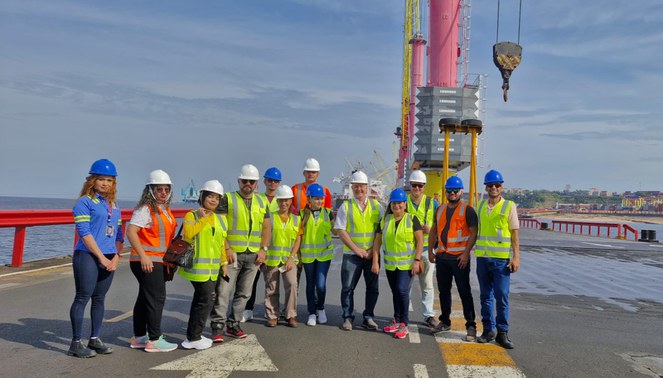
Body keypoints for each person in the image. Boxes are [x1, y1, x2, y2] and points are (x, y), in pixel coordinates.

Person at [210, 164, 271, 341]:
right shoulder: (227, 199)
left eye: (252, 182)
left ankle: (234, 323)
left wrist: (263, 249)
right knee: (223, 291)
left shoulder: (262, 201)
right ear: (239, 181)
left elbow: (267, 227)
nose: (248, 184)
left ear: (257, 184)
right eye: (245, 181)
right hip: (232, 255)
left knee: (245, 292)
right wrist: (227, 248)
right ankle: (217, 325)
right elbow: (220, 226)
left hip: (253, 255)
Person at [68, 159, 123, 358]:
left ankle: (94, 338)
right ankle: (75, 343)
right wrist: (101, 257)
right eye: (101, 179)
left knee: (100, 298)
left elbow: (118, 235)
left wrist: (116, 257)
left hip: (109, 257)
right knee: (83, 297)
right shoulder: (84, 202)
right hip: (88, 256)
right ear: (92, 180)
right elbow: (84, 232)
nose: (105, 184)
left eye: (109, 180)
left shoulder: (113, 205)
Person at [125, 170, 178, 352]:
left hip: (157, 260)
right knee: (157, 298)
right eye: (159, 189)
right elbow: (131, 232)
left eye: (166, 189)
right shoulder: (145, 209)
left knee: (144, 298)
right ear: (150, 191)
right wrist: (144, 256)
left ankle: (139, 337)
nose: (163, 193)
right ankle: (154, 340)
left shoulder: (164, 210)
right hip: (147, 260)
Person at [179, 180, 228, 350]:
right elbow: (188, 235)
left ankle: (193, 335)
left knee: (201, 300)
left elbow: (221, 243)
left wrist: (224, 262)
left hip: (212, 270)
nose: (213, 200)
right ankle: (193, 338)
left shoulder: (221, 220)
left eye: (216, 197)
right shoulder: (192, 215)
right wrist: (202, 219)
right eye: (210, 196)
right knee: (206, 299)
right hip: (197, 268)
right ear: (202, 197)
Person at [429, 176, 478, 342]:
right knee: (443, 292)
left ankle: (471, 325)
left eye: (455, 190)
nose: (452, 193)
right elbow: (433, 231)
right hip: (442, 257)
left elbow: (473, 233)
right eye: (449, 190)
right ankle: (445, 321)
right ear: (445, 192)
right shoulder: (440, 209)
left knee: (465, 292)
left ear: (460, 192)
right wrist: (430, 250)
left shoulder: (468, 210)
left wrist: (465, 254)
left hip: (459, 259)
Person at [475, 169, 520, 349]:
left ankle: (502, 333)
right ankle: (488, 330)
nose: (493, 188)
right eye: (490, 185)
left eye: (497, 185)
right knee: (486, 296)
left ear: (501, 187)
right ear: (486, 187)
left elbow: (514, 233)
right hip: (483, 259)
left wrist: (516, 257)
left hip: (501, 260)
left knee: (502, 296)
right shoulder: (479, 206)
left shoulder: (509, 206)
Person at [334, 170, 383, 331]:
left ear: (367, 188)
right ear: (352, 188)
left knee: (373, 288)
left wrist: (371, 253)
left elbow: (381, 231)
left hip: (371, 254)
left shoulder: (377, 206)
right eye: (356, 187)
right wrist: (356, 250)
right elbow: (341, 230)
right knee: (347, 287)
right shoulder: (346, 207)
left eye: (362, 186)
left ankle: (368, 317)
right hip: (352, 255)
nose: (359, 190)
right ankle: (347, 317)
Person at [372, 189, 423, 339]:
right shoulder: (385, 220)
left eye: (400, 203)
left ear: (405, 204)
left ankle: (404, 324)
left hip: (407, 265)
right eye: (394, 203)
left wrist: (417, 260)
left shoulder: (412, 219)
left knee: (402, 291)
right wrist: (375, 261)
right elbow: (377, 242)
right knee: (395, 292)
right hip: (390, 265)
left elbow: (420, 241)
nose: (397, 206)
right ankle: (397, 319)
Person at [242, 166, 281, 323]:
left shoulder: (282, 201)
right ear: (264, 181)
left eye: (275, 181)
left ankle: (270, 310)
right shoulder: (256, 200)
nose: (272, 183)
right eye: (270, 180)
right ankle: (247, 309)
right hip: (257, 247)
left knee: (272, 283)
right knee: (251, 280)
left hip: (275, 248)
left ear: (279, 183)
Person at [405, 170, 440, 328]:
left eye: (419, 186)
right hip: (407, 250)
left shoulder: (432, 203)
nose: (417, 188)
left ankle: (428, 315)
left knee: (427, 284)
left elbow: (442, 224)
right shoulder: (403, 202)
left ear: (424, 186)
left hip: (426, 249)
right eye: (414, 185)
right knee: (406, 285)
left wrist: (431, 228)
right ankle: (402, 313)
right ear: (410, 186)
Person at [263, 185, 301, 327]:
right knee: (272, 287)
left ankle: (290, 314)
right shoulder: (270, 217)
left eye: (286, 200)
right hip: (272, 258)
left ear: (291, 201)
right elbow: (265, 236)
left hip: (289, 260)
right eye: (281, 200)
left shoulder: (296, 219)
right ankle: (273, 315)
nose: (283, 203)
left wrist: (291, 258)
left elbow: (298, 239)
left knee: (291, 284)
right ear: (277, 201)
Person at [299, 183, 334, 326]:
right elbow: (298, 236)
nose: (320, 201)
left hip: (324, 255)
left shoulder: (328, 213)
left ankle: (321, 308)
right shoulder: (301, 214)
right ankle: (312, 313)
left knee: (320, 285)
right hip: (307, 255)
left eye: (321, 199)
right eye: (317, 199)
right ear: (309, 199)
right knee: (310, 284)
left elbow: (336, 229)